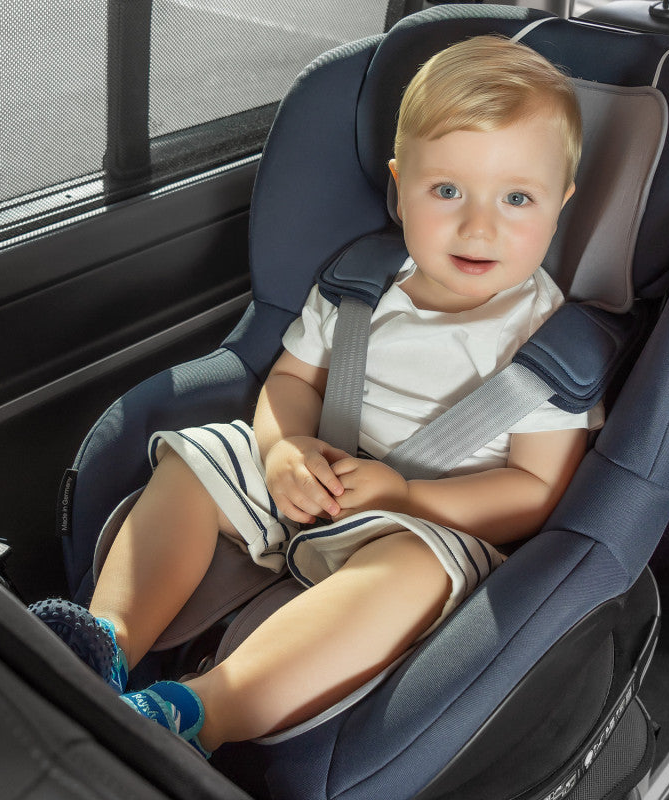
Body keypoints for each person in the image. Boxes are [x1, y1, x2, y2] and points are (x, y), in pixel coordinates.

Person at [31, 35, 602, 758]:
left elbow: (535, 491)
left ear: (561, 203)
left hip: (427, 524)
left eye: (517, 198)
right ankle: (105, 642)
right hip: (315, 480)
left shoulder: (548, 343)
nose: (479, 225)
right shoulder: (359, 283)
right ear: (400, 185)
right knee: (196, 459)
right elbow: (292, 382)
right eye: (446, 190)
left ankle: (199, 712)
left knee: (416, 572)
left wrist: (405, 496)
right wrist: (283, 450)